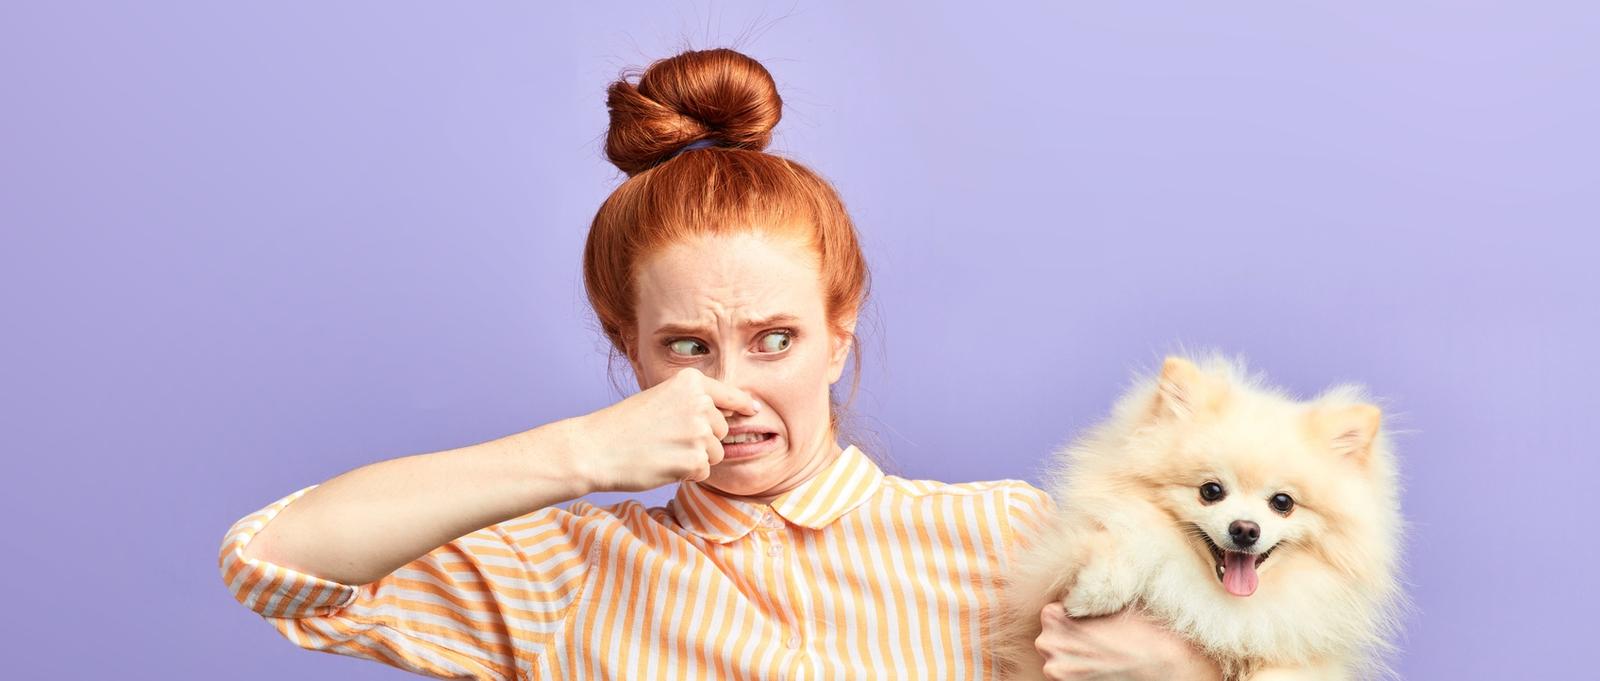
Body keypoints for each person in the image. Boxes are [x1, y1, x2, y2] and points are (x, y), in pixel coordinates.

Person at [217, 47, 1224, 681]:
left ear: (840, 329)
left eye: (774, 339)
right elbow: (274, 562)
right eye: (687, 348)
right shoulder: (561, 572)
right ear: (631, 351)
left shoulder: (1005, 537)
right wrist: (577, 453)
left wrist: (1194, 672)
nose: (733, 389)